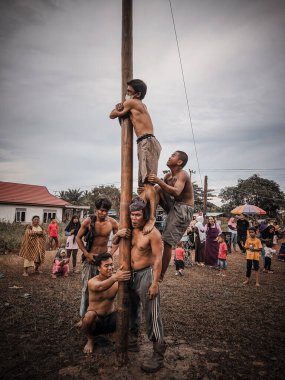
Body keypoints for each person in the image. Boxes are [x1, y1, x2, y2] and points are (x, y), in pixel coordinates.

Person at [114, 197, 166, 373]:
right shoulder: (127, 230)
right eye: (132, 215)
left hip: (146, 274)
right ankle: (133, 342)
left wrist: (155, 283)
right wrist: (117, 235)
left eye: (137, 215)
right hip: (130, 275)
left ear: (145, 215)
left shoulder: (153, 233)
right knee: (130, 310)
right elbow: (113, 246)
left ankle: (158, 354)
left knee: (151, 313)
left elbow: (158, 260)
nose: (134, 218)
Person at [110, 79, 161, 235]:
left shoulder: (133, 102)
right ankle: (143, 218)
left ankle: (152, 217)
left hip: (147, 142)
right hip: (144, 143)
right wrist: (121, 110)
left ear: (137, 94)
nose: (127, 94)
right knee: (142, 189)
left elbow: (111, 115)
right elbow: (123, 121)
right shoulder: (135, 105)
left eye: (130, 92)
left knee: (148, 184)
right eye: (127, 91)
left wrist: (118, 107)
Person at [148, 150, 194, 280]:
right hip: (174, 206)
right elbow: (160, 188)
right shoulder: (168, 176)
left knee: (167, 242)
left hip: (184, 209)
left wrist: (158, 180)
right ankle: (152, 217)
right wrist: (147, 189)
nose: (169, 156)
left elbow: (177, 192)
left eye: (173, 156)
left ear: (179, 162)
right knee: (156, 189)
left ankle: (160, 275)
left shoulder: (183, 175)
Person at [76, 197, 119, 322]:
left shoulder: (112, 222)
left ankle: (101, 316)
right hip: (90, 259)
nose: (103, 213)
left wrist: (110, 253)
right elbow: (78, 238)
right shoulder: (88, 222)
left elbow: (119, 238)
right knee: (86, 289)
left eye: (106, 211)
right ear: (96, 210)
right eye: (101, 210)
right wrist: (87, 254)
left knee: (106, 288)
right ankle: (84, 318)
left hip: (104, 260)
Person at [81, 253, 131, 354]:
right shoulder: (92, 282)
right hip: (96, 322)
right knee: (89, 316)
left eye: (111, 264)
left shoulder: (117, 280)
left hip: (110, 320)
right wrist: (115, 277)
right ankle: (90, 340)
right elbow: (100, 287)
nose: (110, 268)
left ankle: (116, 335)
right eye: (106, 266)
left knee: (125, 312)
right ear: (99, 268)